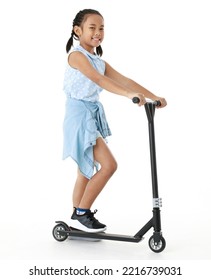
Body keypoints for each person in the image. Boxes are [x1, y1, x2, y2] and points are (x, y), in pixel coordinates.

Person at [63, 9, 167, 233]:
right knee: (109, 165)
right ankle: (82, 213)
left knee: (85, 169)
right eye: (92, 28)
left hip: (89, 114)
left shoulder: (99, 61)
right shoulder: (77, 56)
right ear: (77, 30)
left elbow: (126, 80)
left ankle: (76, 215)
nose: (98, 32)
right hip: (78, 115)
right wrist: (128, 96)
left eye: (101, 28)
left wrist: (153, 96)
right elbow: (98, 79)